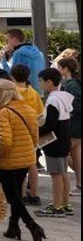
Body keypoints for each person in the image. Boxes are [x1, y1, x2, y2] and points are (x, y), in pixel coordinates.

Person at [0, 79, 45, 241]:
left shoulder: (4, 112)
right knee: (16, 194)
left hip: (9, 161)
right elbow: (36, 137)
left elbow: (5, 142)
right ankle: (13, 226)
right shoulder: (28, 109)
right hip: (26, 158)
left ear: (1, 94)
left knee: (13, 197)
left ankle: (32, 226)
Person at [36, 68, 72, 217]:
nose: (40, 85)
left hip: (54, 143)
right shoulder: (64, 96)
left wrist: (37, 130)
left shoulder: (52, 99)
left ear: (49, 82)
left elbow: (50, 124)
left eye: (41, 82)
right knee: (63, 173)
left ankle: (57, 207)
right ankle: (64, 203)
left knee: (56, 175)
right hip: (64, 140)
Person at [10, 64, 45, 205]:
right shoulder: (34, 93)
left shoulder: (11, 93)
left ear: (12, 76)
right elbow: (40, 115)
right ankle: (34, 195)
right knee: (32, 164)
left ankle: (21, 195)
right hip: (31, 133)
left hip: (16, 132)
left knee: (19, 166)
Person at [55, 57, 81, 195]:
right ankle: (79, 184)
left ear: (65, 69)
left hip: (74, 125)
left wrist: (67, 113)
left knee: (64, 153)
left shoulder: (71, 84)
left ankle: (77, 184)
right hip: (76, 125)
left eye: (59, 67)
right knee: (76, 155)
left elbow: (75, 104)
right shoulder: (73, 82)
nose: (58, 70)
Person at [1, 28, 47, 94]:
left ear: (14, 39)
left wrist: (3, 59)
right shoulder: (40, 53)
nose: (6, 43)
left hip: (25, 92)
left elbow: (12, 75)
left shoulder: (19, 53)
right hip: (39, 92)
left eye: (7, 40)